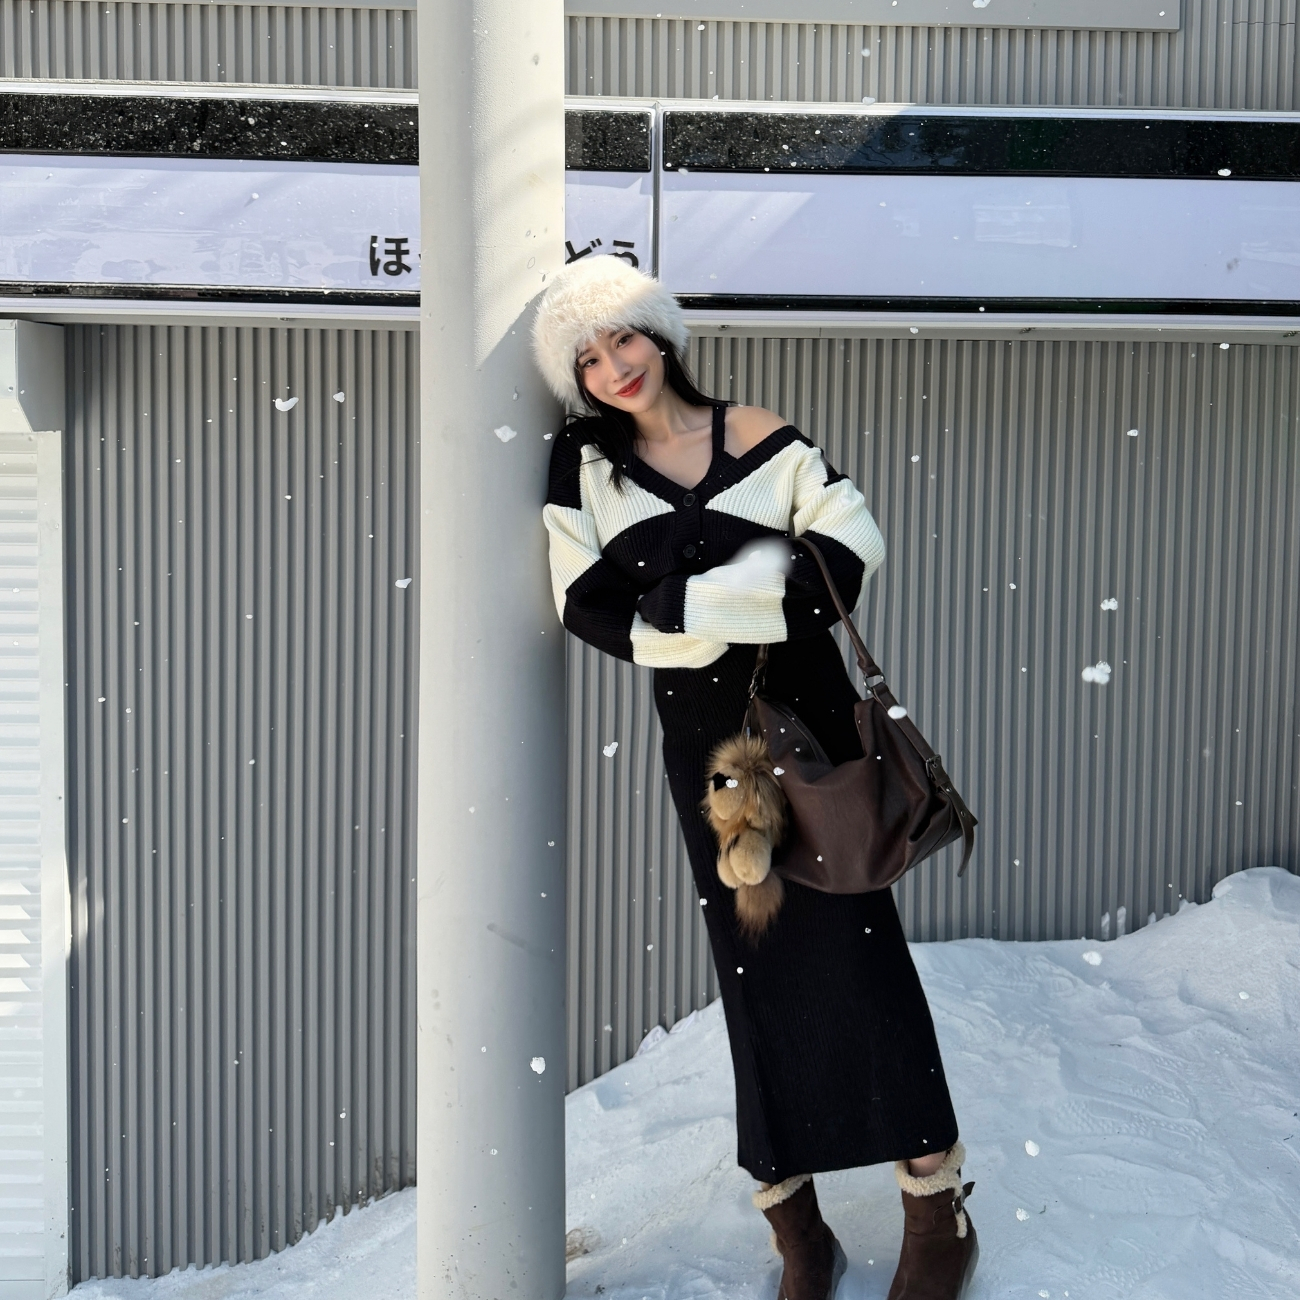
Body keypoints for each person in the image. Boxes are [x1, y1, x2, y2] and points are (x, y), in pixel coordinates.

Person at [533, 255, 978, 1300]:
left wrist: (686, 607)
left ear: (659, 333)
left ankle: (936, 1207)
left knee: (864, 959)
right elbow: (585, 601)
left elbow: (848, 554)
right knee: (756, 970)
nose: (613, 366)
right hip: (708, 760)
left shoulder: (757, 431)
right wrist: (742, 595)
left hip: (813, 731)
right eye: (586, 358)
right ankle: (799, 1233)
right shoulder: (586, 472)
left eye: (623, 336)